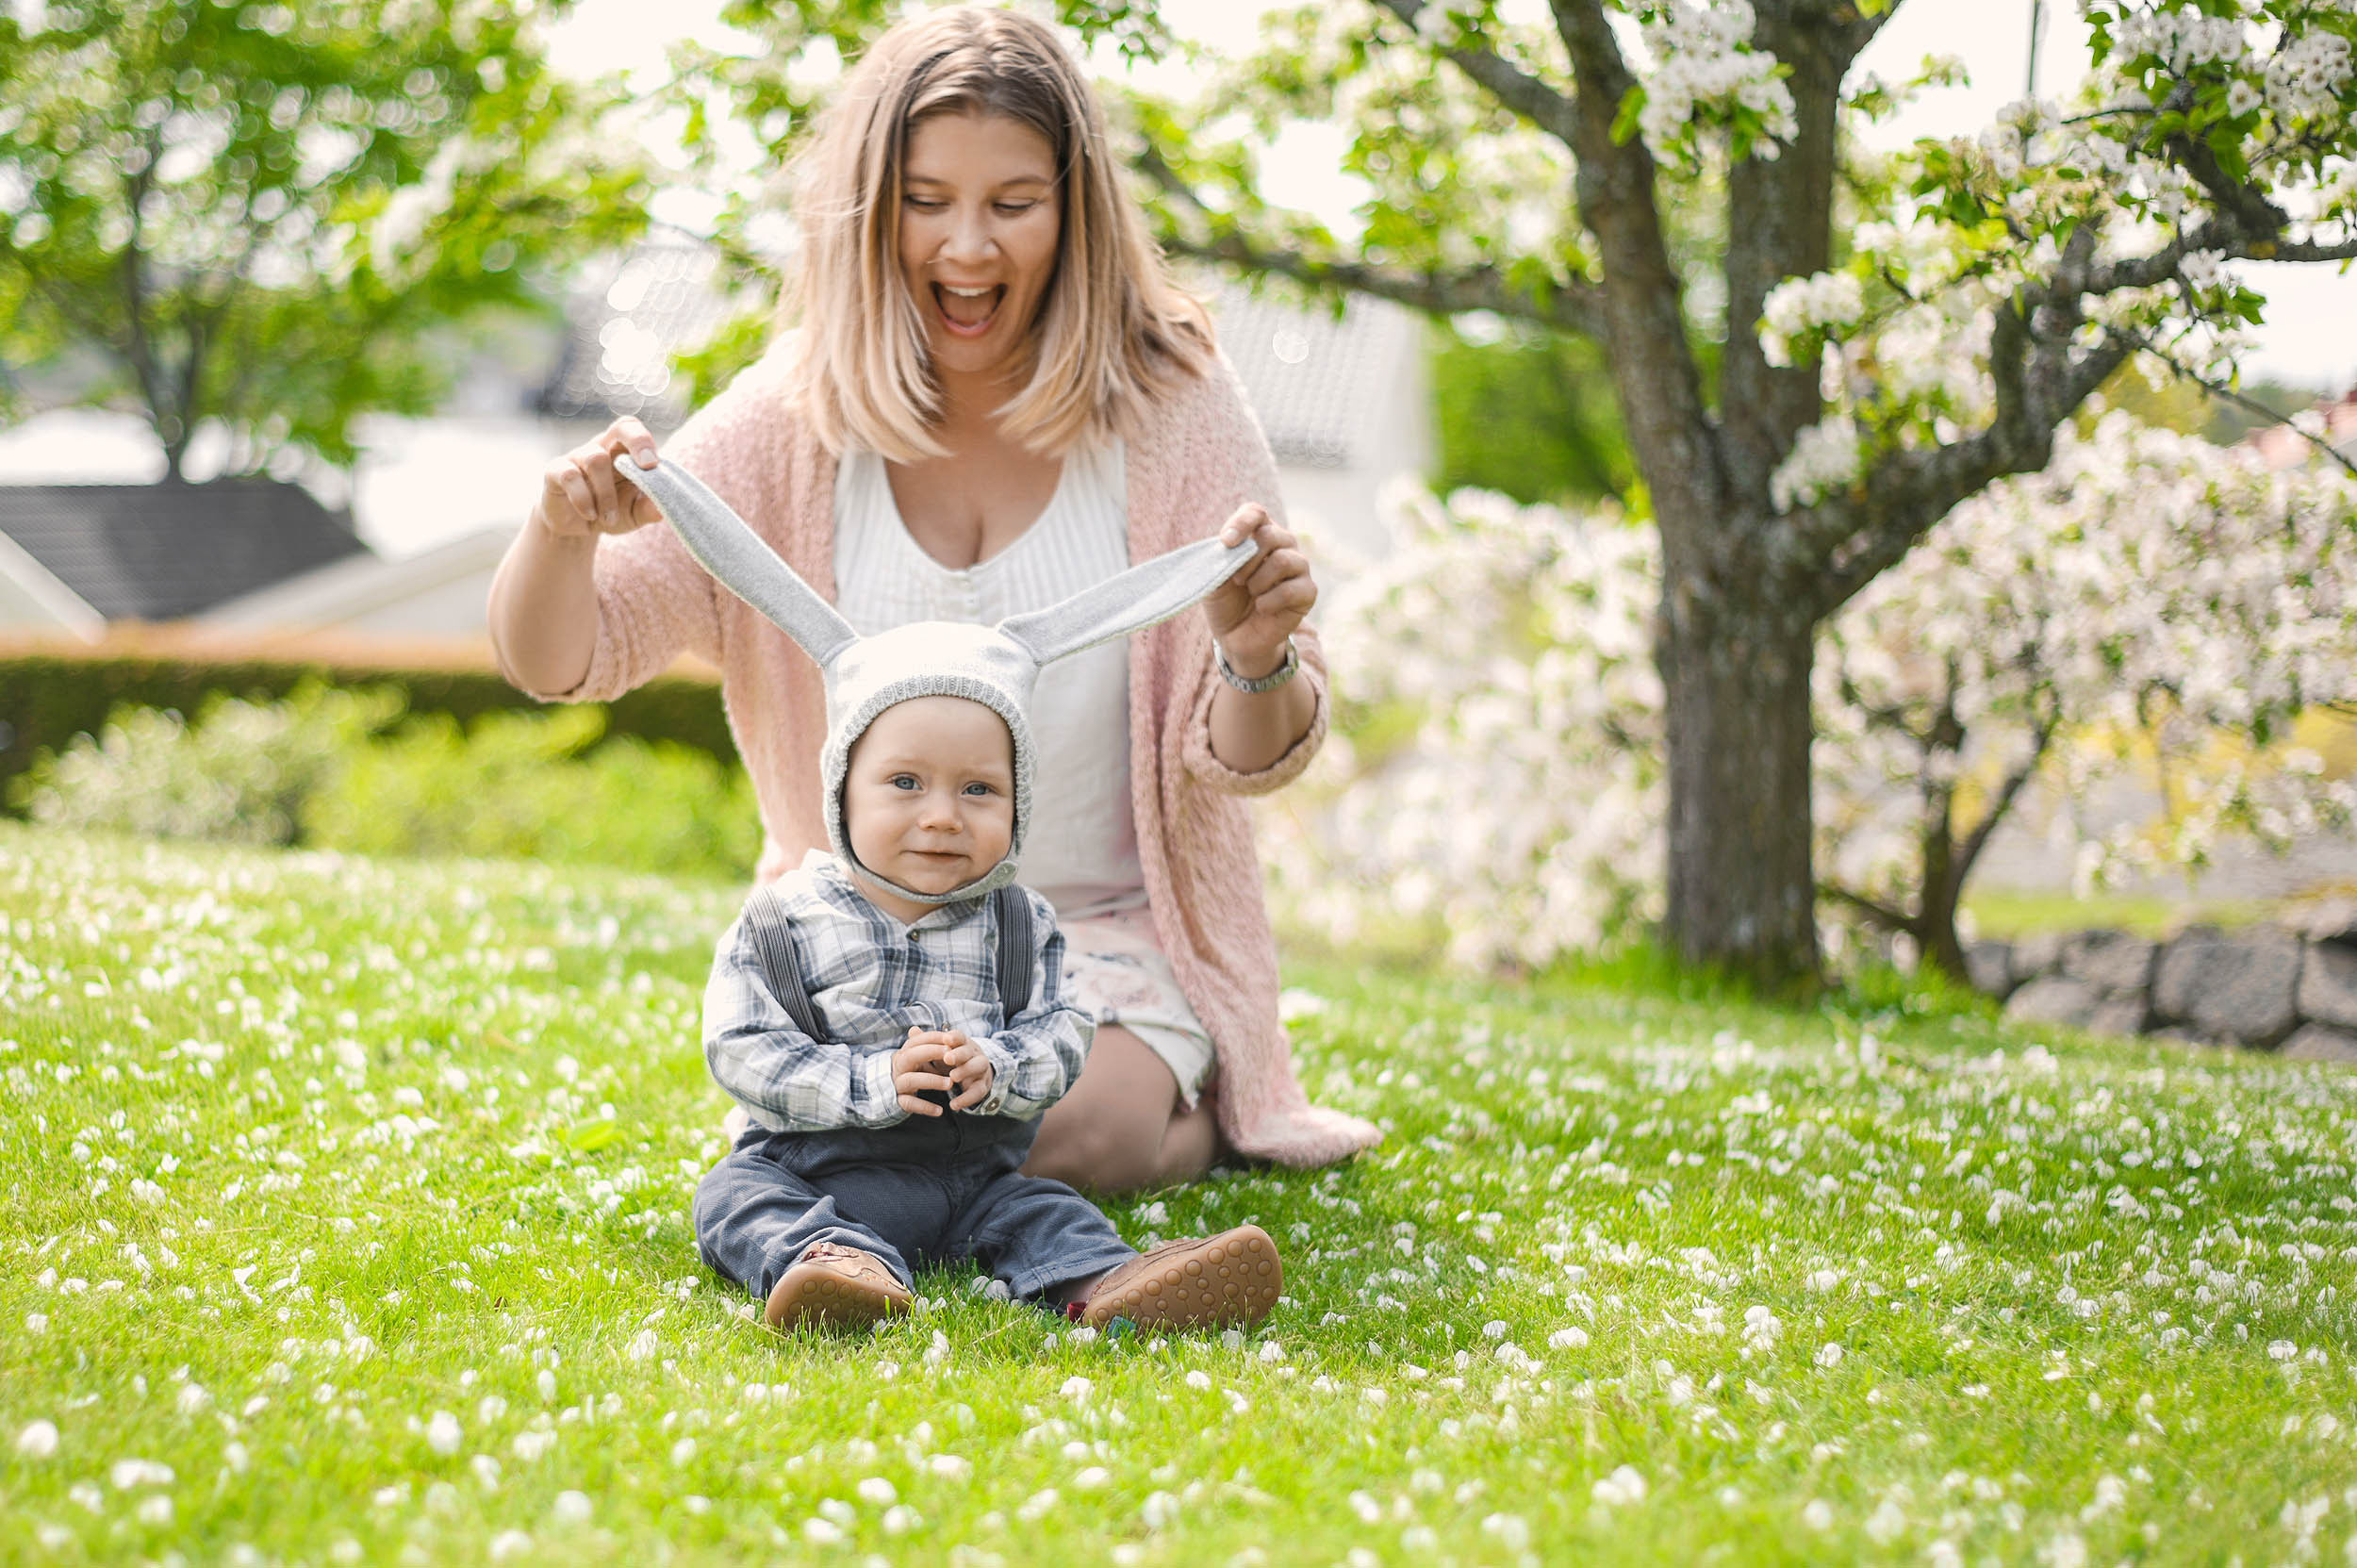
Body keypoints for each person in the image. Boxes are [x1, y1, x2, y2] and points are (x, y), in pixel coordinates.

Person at [486, 4, 1378, 1192]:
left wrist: (1256, 657)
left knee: (1072, 1134)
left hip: (1100, 940)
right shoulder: (790, 419)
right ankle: (879, 1193)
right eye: (924, 201)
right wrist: (558, 533)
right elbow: (563, 658)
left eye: (1013, 204)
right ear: (868, 210)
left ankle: (1168, 1110)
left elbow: (1253, 758)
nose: (967, 247)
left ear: (1076, 212)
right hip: (865, 944)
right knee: (925, 1118)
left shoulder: (1172, 403)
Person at [646, 442, 1282, 1331]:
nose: (942, 817)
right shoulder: (786, 919)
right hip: (816, 1167)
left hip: (972, 1173)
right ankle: (833, 1264)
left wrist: (1002, 1069)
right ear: (841, 792)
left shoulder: (1020, 925)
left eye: (979, 790)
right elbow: (742, 1048)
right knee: (733, 1196)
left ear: (1018, 803)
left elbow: (1065, 1030)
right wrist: (870, 1081)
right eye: (904, 784)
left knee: (1042, 1211)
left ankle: (1110, 1284)